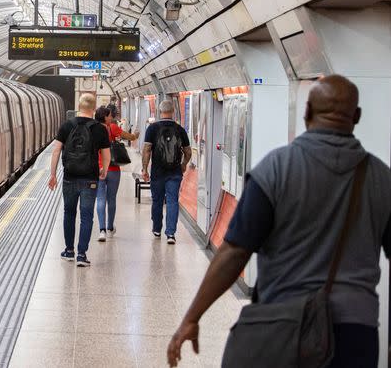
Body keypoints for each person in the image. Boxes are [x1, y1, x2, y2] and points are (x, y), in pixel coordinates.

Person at [167, 75, 391, 368]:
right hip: (355, 333)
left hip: (283, 323)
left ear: (307, 112)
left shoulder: (276, 169)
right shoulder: (381, 178)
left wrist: (192, 317)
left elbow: (235, 251)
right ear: (357, 116)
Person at [48, 93, 111, 267]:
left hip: (69, 177)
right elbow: (106, 154)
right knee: (86, 216)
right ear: (93, 108)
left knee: (69, 213)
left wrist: (53, 174)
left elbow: (56, 151)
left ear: (79, 106)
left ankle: (69, 251)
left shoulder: (67, 125)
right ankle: (82, 255)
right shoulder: (99, 129)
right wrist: (104, 170)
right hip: (90, 179)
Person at [142, 99, 191, 244]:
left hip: (157, 172)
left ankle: (157, 229)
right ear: (173, 111)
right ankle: (170, 234)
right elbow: (188, 152)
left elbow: (146, 150)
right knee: (172, 201)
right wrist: (183, 164)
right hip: (175, 172)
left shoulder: (152, 129)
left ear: (159, 111)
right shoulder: (180, 129)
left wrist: (144, 169)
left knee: (157, 201)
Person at [96, 104, 138, 242]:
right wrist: (136, 134)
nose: (112, 117)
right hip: (113, 169)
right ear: (107, 116)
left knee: (100, 199)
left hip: (98, 169)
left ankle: (101, 230)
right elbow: (130, 137)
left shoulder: (93, 129)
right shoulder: (112, 128)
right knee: (111, 198)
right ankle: (109, 228)